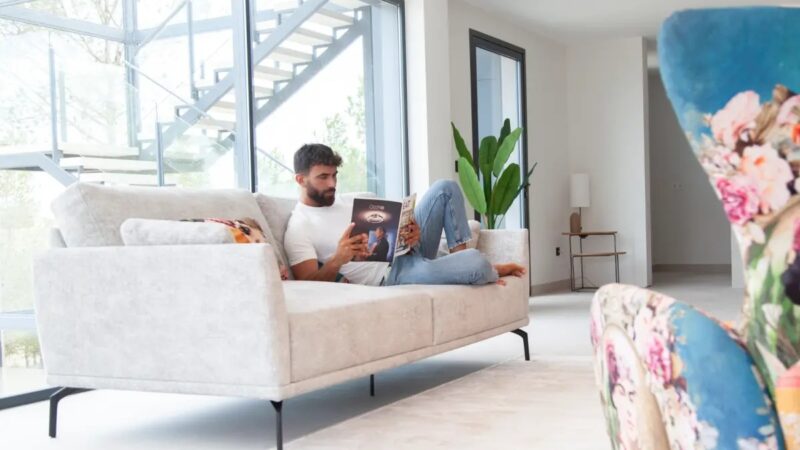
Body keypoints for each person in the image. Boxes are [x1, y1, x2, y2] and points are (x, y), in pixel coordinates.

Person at [283, 143, 526, 286]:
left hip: (408, 252)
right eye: (323, 177)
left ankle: (458, 265)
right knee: (477, 262)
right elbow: (307, 284)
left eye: (334, 175)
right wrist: (337, 259)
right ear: (300, 179)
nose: (332, 183)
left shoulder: (347, 201)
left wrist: (411, 233)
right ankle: (470, 268)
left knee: (445, 188)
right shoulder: (299, 227)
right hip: (392, 275)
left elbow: (389, 228)